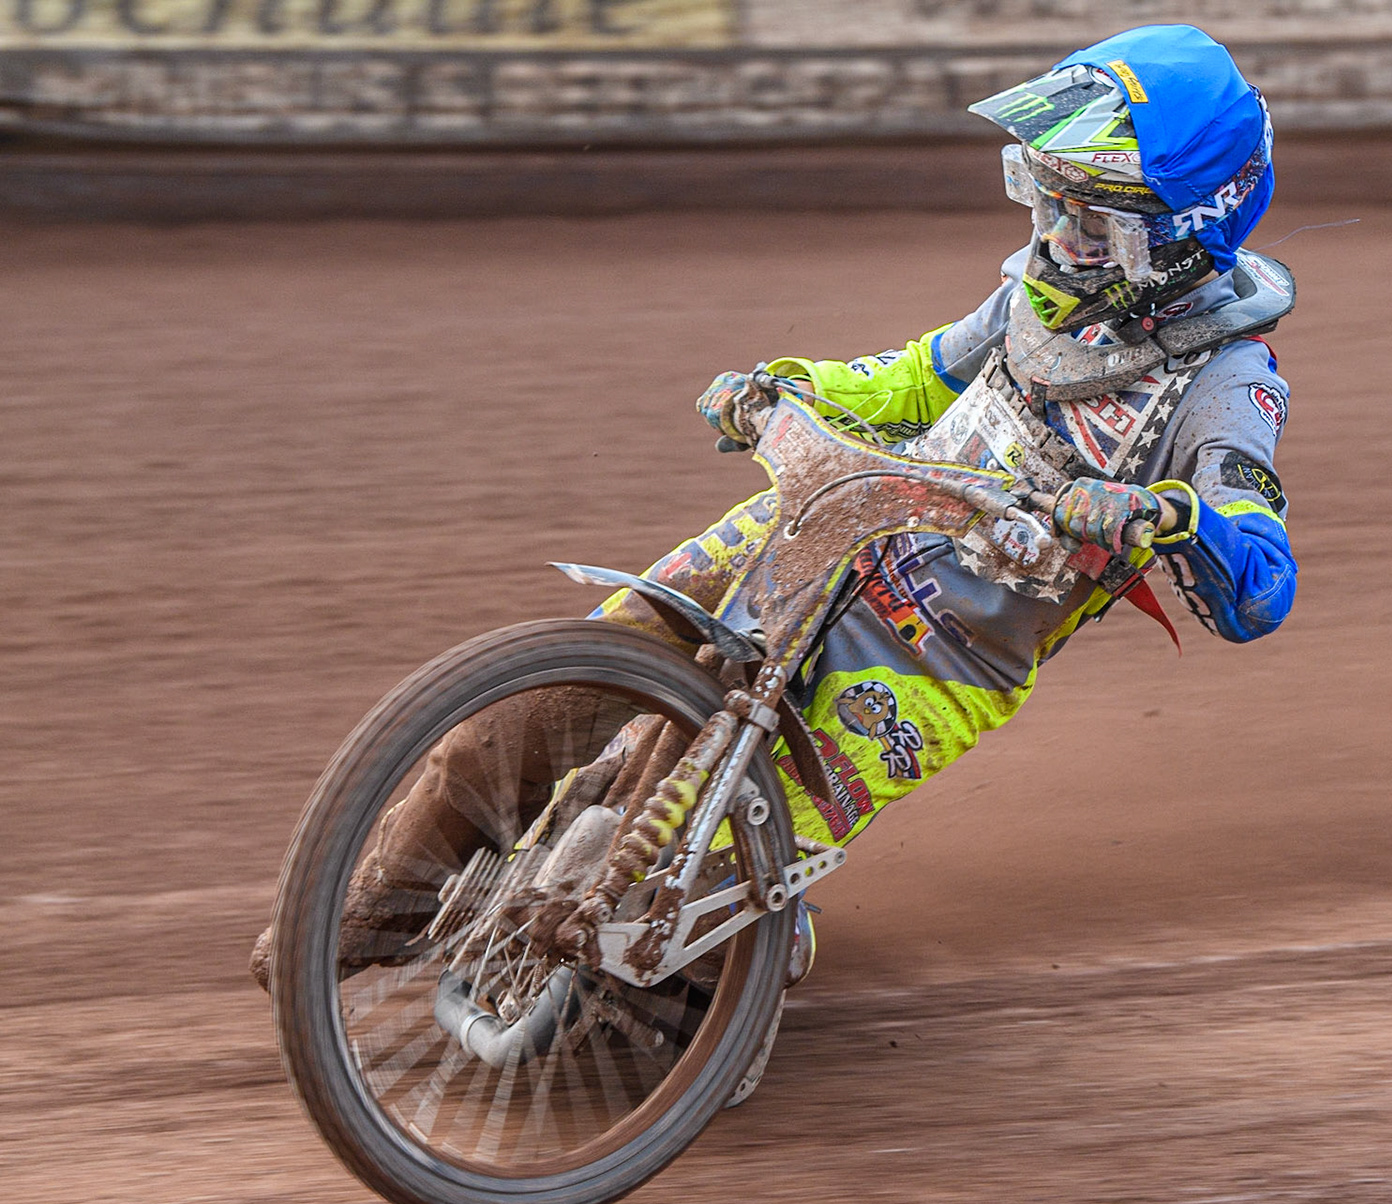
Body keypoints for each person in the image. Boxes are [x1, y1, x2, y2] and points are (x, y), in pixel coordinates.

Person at [252, 23, 1298, 1099]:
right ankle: (354, 910)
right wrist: (785, 386)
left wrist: (1162, 515)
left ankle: (727, 977)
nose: (1059, 233)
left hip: (935, 653)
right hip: (821, 526)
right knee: (566, 678)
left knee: (700, 865)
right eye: (1052, 198)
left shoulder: (1228, 380)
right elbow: (908, 381)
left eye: (1093, 218)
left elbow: (1261, 570)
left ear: (1182, 236)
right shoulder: (1035, 296)